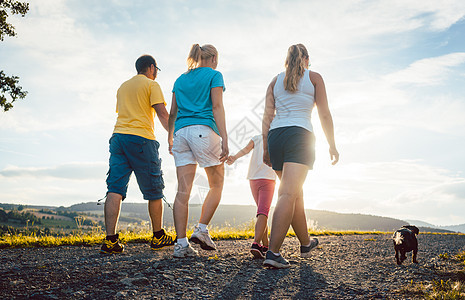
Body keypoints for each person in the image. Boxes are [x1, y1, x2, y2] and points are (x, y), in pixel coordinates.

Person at [262, 44, 339, 268]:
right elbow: (324, 113)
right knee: (288, 193)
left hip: (276, 136)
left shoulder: (274, 81)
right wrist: (332, 144)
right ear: (306, 59)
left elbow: (267, 116)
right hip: (300, 135)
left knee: (295, 194)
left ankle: (305, 243)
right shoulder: (314, 78)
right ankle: (273, 253)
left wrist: (266, 148)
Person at [101, 55, 175, 254]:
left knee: (114, 188)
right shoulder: (151, 85)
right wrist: (173, 137)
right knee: (154, 188)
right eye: (157, 69)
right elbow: (162, 113)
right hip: (141, 139)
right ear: (151, 68)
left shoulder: (123, 86)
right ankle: (158, 236)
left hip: (118, 138)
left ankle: (110, 241)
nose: (157, 72)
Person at [168, 44, 228, 258]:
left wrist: (170, 138)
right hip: (203, 131)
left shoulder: (180, 79)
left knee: (182, 192)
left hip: (181, 134)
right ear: (213, 58)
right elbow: (217, 107)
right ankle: (202, 229)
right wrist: (225, 138)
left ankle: (181, 244)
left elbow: (172, 113)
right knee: (217, 184)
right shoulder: (214, 74)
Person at [227, 135, 276, 259]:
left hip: (253, 179)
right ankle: (256, 243)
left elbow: (246, 149)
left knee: (261, 212)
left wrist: (234, 157)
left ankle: (265, 245)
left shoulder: (258, 138)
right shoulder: (278, 137)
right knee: (263, 212)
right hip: (268, 178)